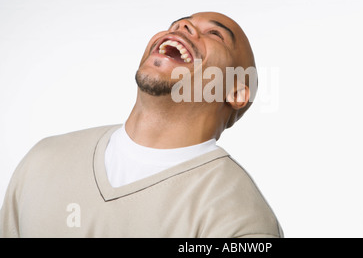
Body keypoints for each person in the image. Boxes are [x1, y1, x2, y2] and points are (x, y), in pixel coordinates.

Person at [0, 12, 283, 238]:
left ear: (235, 92)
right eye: (178, 24)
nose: (183, 25)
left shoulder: (240, 218)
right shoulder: (44, 158)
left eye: (214, 33)